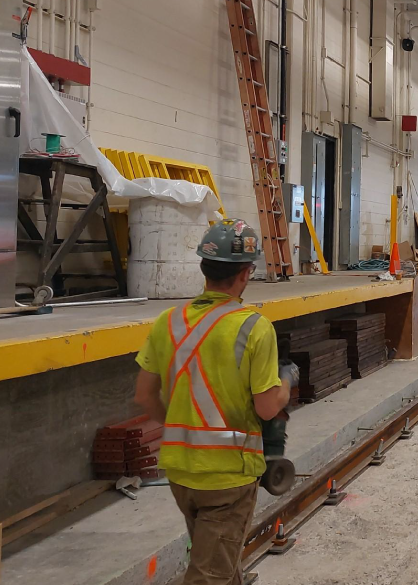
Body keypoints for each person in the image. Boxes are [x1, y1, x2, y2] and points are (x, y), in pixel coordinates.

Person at [134, 218, 299, 585]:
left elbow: (144, 394)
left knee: (217, 560)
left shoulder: (169, 321)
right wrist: (286, 383)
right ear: (245, 274)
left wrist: (181, 428)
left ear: (203, 268)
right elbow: (268, 408)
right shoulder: (254, 327)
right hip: (227, 477)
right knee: (210, 575)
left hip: (179, 472)